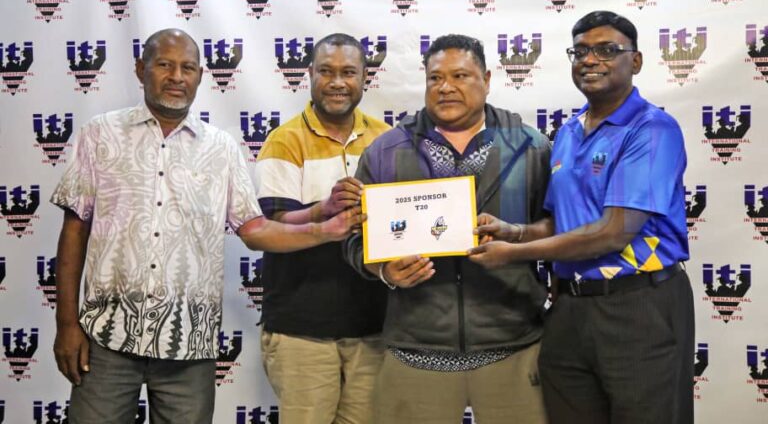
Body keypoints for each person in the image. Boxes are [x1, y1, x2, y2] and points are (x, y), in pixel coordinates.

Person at [50, 28, 359, 424]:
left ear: (200, 76)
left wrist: (321, 224)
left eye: (188, 68)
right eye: (165, 65)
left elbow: (255, 230)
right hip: (106, 339)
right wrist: (66, 325)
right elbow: (74, 231)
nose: (177, 76)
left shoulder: (221, 147)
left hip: (189, 346)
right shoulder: (99, 134)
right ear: (140, 69)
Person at [468, 11, 694, 424]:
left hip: (637, 305)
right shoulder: (569, 132)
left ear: (636, 61)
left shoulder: (652, 129)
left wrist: (512, 255)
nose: (590, 60)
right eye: (581, 51)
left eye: (607, 50)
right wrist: (513, 232)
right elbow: (564, 223)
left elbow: (613, 232)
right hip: (569, 310)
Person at [343, 34, 551, 424]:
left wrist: (518, 239)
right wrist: (384, 271)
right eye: (435, 78)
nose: (446, 87)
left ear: (487, 79)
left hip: (513, 342)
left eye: (460, 75)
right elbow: (355, 240)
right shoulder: (386, 152)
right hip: (416, 346)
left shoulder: (530, 147)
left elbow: (558, 229)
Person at [255, 33, 390, 424]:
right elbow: (269, 225)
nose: (337, 82)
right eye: (326, 71)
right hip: (303, 329)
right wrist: (323, 212)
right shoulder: (284, 141)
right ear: (310, 74)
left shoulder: (387, 141)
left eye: (348, 72)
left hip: (374, 327)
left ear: (365, 78)